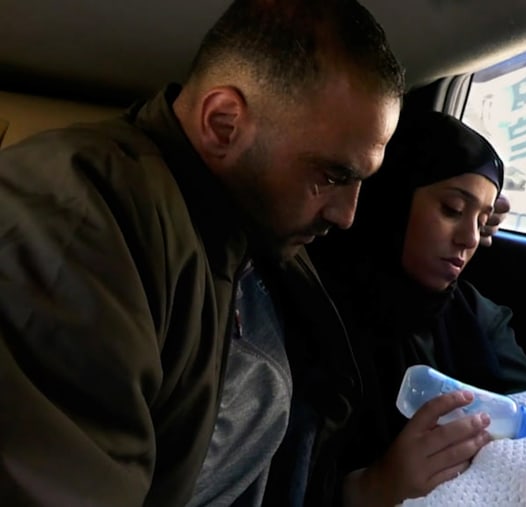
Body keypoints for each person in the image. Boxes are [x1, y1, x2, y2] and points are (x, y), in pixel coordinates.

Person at [0, 0, 405, 505]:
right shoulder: (73, 229)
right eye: (331, 175)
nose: (346, 215)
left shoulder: (253, 223)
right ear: (223, 124)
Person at [307, 110, 526, 506]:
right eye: (453, 209)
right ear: (395, 198)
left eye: (483, 220)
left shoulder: (476, 316)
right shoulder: (316, 311)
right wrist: (372, 488)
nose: (469, 238)